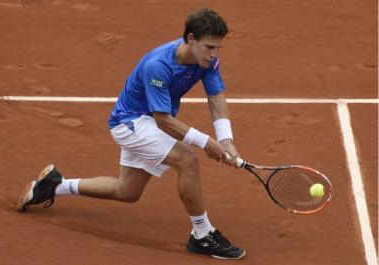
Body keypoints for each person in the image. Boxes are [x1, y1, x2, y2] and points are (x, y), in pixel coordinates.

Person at [17, 7, 246, 260]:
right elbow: (163, 122)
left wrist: (226, 139)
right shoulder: (158, 65)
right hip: (132, 123)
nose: (213, 54)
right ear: (191, 39)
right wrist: (207, 143)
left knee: (127, 191)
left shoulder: (207, 61)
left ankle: (54, 186)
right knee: (187, 161)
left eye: (217, 49)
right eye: (209, 47)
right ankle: (203, 234)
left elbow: (215, 96)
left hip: (148, 122)